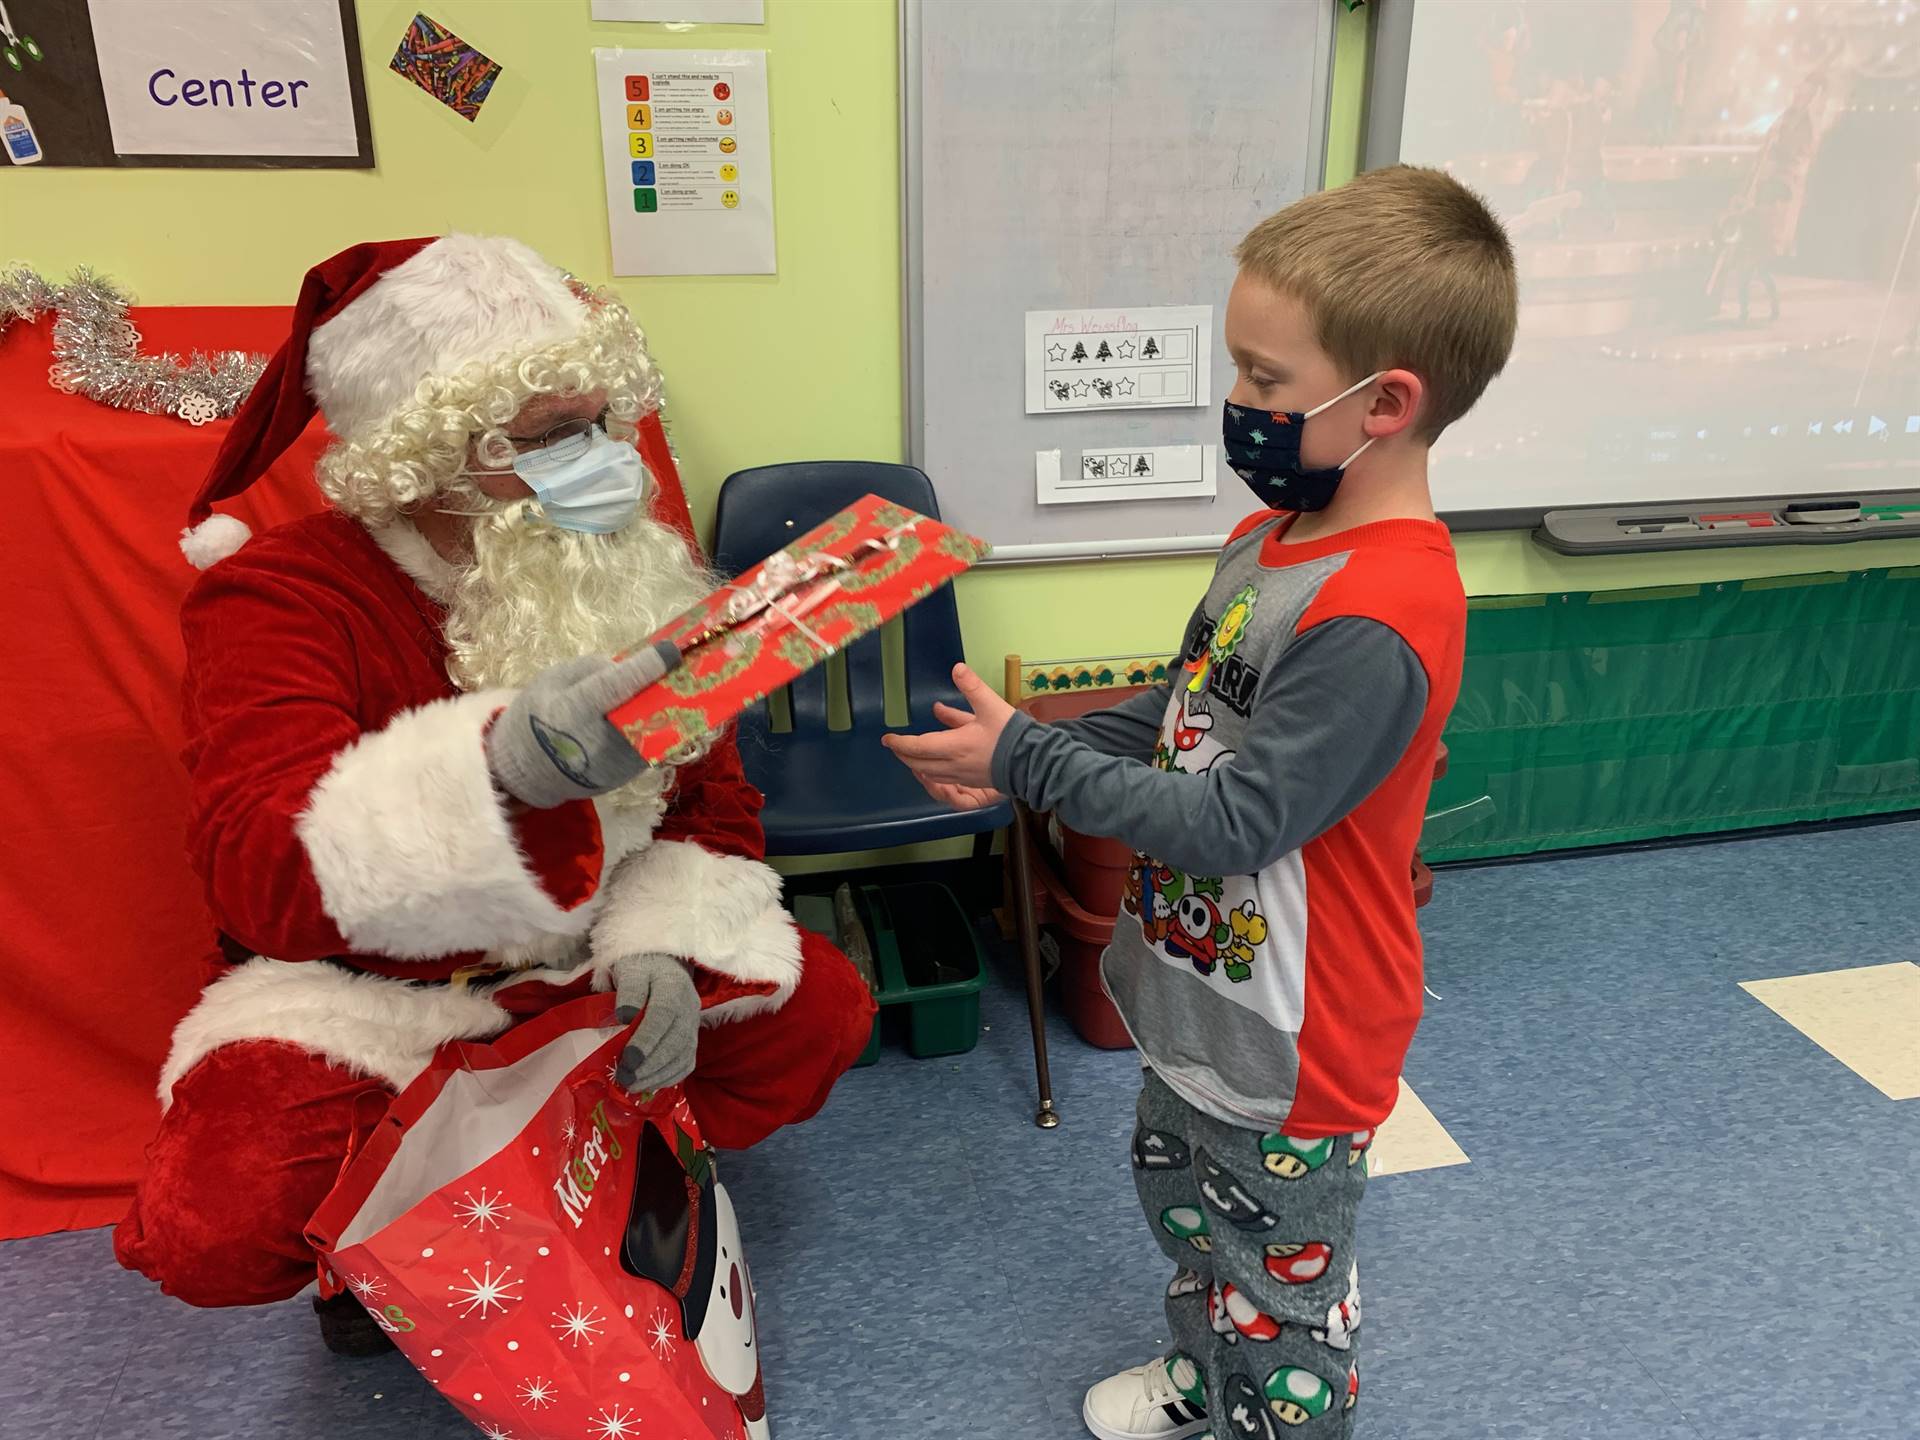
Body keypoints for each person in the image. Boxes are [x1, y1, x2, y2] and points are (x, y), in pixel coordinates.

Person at [113, 235, 875, 1355]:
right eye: (549, 438)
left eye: (600, 423)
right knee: (216, 1220)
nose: (605, 461)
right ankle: (379, 1255)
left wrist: (658, 938)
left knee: (817, 1013)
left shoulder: (629, 561)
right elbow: (258, 866)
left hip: (592, 949)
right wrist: (503, 777)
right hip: (379, 988)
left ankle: (603, 1175)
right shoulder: (282, 596)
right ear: (426, 457)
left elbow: (710, 800)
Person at [886, 166, 1518, 1439]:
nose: (1238, 404)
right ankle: (1202, 1376)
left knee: (1286, 1285)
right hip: (1200, 990)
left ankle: (1271, 1411)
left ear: (1386, 403)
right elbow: (1185, 716)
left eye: (1268, 382)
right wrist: (1023, 741)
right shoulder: (1271, 542)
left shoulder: (1382, 614)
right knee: (1188, 1213)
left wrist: (1032, 764)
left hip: (1302, 1038)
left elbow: (1238, 818)